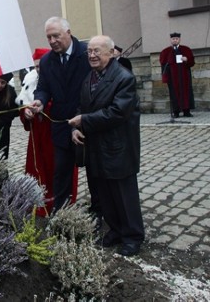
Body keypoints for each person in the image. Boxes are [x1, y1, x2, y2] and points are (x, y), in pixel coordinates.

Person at [68, 35, 145, 257]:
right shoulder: (90, 77)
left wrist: (84, 121)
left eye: (97, 51)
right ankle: (116, 230)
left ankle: (132, 236)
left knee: (124, 194)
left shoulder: (124, 78)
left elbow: (117, 113)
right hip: (96, 147)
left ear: (111, 53)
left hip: (118, 147)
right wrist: (75, 129)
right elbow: (81, 107)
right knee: (104, 194)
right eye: (89, 51)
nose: (92, 55)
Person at [25, 16, 100, 214]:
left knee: (95, 174)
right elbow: (43, 88)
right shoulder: (48, 60)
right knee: (61, 174)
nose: (52, 41)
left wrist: (81, 117)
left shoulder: (87, 54)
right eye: (48, 37)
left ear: (68, 32)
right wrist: (39, 101)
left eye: (56, 36)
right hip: (60, 126)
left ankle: (99, 212)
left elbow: (97, 91)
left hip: (87, 123)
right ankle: (60, 214)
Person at [18, 48, 78, 216]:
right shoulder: (30, 82)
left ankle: (62, 204)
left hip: (57, 132)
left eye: (41, 65)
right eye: (36, 66)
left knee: (59, 167)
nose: (39, 69)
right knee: (38, 168)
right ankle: (38, 202)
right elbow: (23, 107)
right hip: (37, 135)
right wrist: (27, 113)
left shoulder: (59, 76)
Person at [159, 32, 195, 118]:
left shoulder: (186, 49)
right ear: (171, 40)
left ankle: (187, 111)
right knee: (174, 94)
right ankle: (176, 112)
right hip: (172, 78)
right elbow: (163, 65)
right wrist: (165, 77)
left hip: (184, 76)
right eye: (173, 39)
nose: (175, 40)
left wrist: (186, 59)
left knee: (186, 93)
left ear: (179, 39)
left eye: (176, 39)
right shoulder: (166, 51)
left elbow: (192, 62)